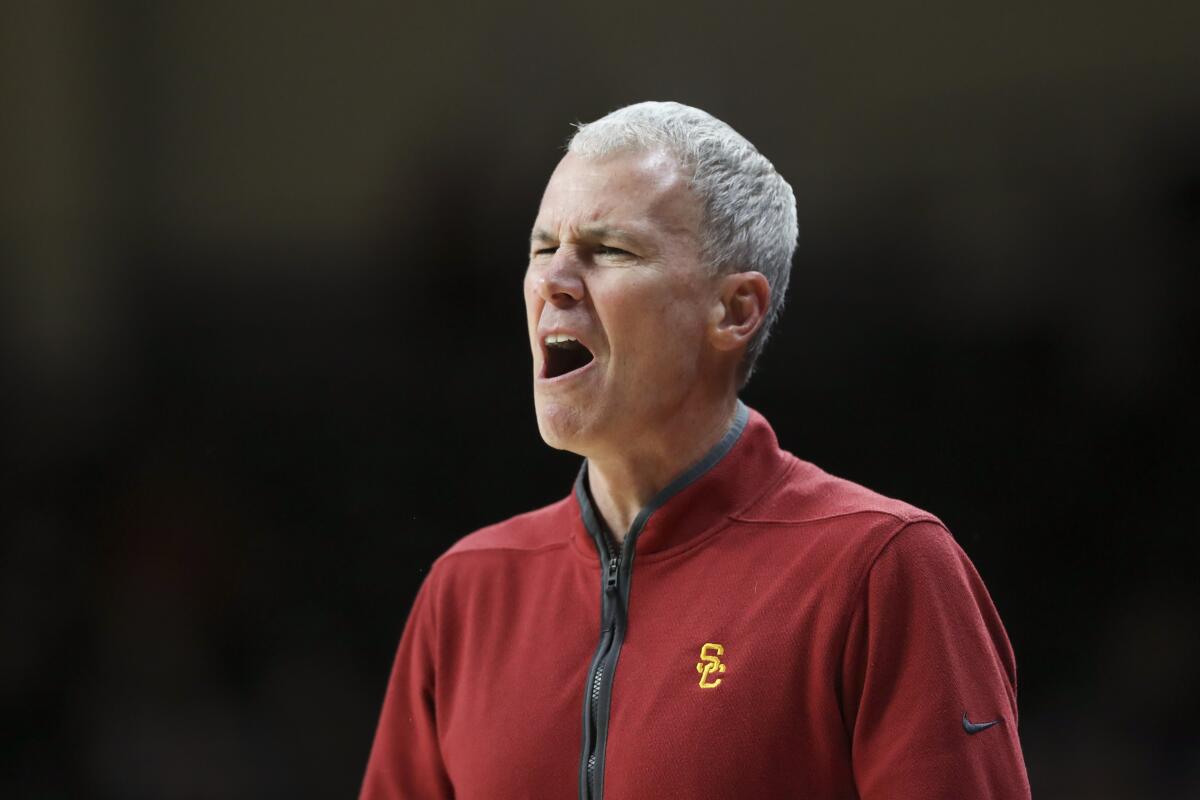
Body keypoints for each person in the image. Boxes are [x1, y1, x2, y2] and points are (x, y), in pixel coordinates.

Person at [360, 101, 1031, 799]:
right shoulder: (465, 594)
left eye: (609, 251)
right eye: (541, 248)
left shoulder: (880, 571)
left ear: (735, 310)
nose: (553, 282)